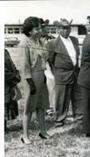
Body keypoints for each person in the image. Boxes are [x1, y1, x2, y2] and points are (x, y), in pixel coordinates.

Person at [19, 16, 50, 144]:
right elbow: (24, 66)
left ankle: (43, 132)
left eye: (40, 28)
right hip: (30, 79)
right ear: (30, 31)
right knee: (29, 108)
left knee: (41, 106)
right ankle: (24, 136)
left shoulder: (40, 41)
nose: (39, 31)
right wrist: (30, 83)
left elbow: (45, 58)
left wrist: (43, 77)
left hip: (41, 76)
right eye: (37, 29)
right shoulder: (24, 44)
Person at [47, 18, 80, 127]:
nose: (66, 30)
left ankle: (79, 116)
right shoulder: (52, 43)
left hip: (75, 73)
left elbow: (77, 55)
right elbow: (50, 59)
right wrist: (57, 72)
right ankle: (59, 119)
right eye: (63, 28)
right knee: (61, 99)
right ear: (58, 30)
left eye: (68, 28)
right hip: (61, 74)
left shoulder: (74, 40)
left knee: (77, 96)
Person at [4, 49, 21, 132]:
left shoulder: (5, 51)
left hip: (8, 84)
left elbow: (12, 66)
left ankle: (4, 126)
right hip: (5, 82)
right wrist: (14, 78)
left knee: (7, 104)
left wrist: (17, 75)